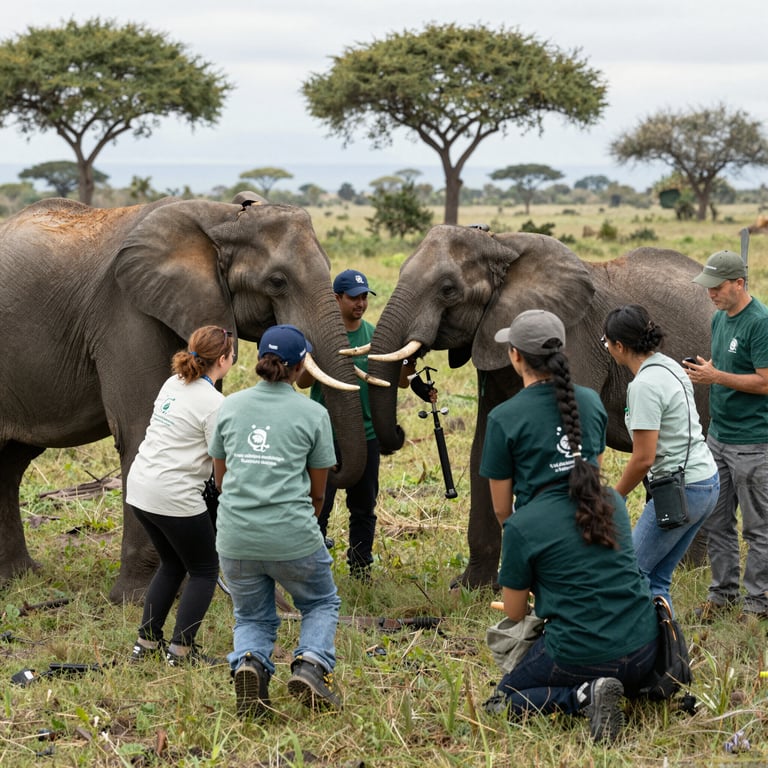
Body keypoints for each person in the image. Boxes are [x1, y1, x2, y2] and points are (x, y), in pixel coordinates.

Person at [479, 310, 658, 745]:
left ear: (515, 356)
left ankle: (583, 694)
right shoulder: (613, 503)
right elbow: (592, 471)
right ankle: (639, 686)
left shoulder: (505, 420)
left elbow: (502, 510)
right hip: (645, 649)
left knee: (504, 699)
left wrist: (531, 548)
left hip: (577, 645)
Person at [209, 324, 342, 719]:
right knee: (320, 601)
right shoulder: (314, 413)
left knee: (251, 615)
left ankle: (249, 663)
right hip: (293, 534)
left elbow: (220, 479)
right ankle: (311, 665)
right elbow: (319, 492)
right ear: (300, 366)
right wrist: (302, 527)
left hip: (234, 537)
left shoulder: (229, 406)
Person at [125, 325, 235, 666]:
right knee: (204, 568)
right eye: (232, 355)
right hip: (175, 496)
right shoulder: (215, 403)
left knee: (172, 562)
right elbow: (221, 463)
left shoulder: (172, 383)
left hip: (140, 488)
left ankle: (146, 643)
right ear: (222, 360)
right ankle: (181, 651)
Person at [602, 305, 719, 613]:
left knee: (629, 575)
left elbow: (643, 458)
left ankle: (635, 648)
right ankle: (666, 650)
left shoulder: (643, 386)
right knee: (656, 579)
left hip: (680, 491)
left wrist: (614, 497)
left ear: (620, 346)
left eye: (606, 342)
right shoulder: (667, 365)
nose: (607, 348)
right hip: (706, 482)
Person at [687, 250, 768, 621]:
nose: (710, 294)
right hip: (717, 437)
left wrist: (716, 377)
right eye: (708, 288)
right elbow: (727, 365)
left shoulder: (760, 323)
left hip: (753, 442)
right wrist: (711, 369)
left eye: (717, 288)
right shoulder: (720, 319)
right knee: (716, 520)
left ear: (739, 283)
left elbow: (765, 381)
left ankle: (758, 603)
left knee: (757, 527)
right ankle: (722, 595)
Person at [297, 269, 380, 579]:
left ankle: (361, 568)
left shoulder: (373, 334)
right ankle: (313, 569)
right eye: (353, 298)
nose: (360, 304)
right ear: (337, 299)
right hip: (326, 436)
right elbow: (304, 382)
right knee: (319, 504)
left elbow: (394, 382)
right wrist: (311, 354)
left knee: (363, 506)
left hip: (365, 434)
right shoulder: (322, 336)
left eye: (364, 298)